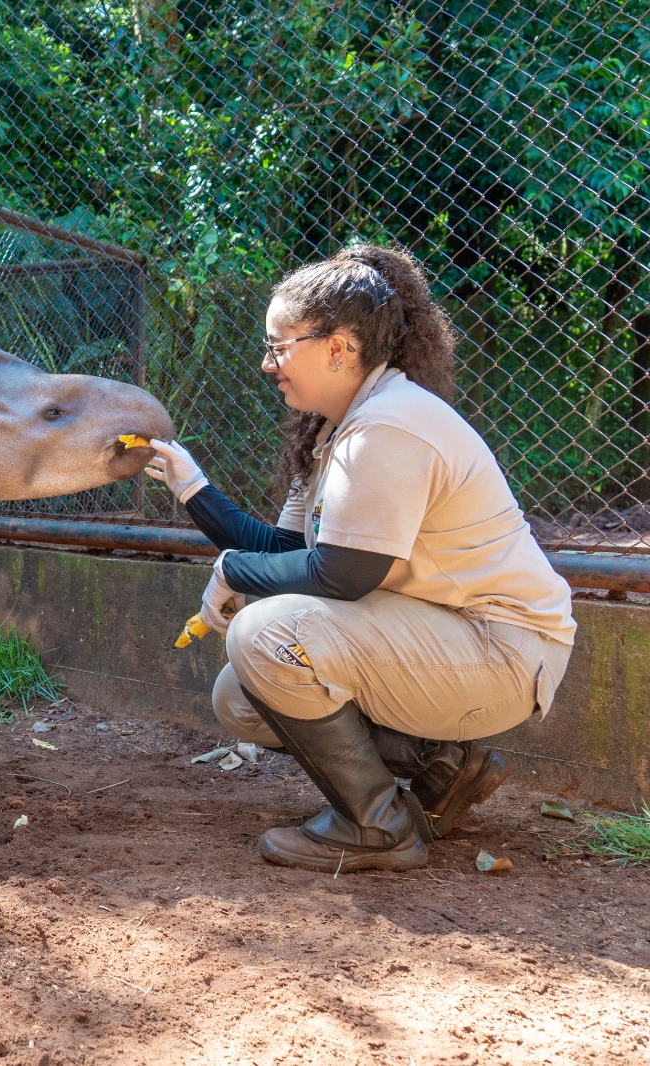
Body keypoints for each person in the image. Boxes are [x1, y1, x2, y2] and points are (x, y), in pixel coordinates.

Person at [145, 244, 575, 874]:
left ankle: (375, 824)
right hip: (449, 638)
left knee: (266, 634)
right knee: (241, 695)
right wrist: (193, 489)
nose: (268, 364)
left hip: (502, 649)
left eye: (279, 346)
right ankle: (442, 767)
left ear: (338, 347)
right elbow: (290, 553)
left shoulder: (388, 427)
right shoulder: (337, 430)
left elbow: (342, 577)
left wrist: (234, 572)